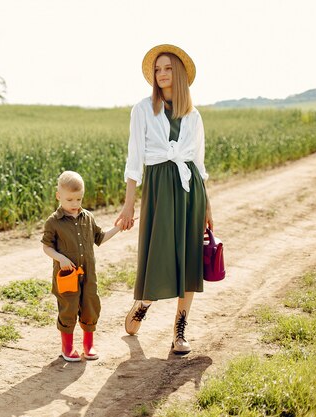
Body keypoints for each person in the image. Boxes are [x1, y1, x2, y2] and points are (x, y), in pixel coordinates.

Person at [115, 44, 214, 354]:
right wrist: (129, 203)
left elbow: (198, 163)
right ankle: (144, 301)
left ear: (179, 73)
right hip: (159, 187)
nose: (161, 74)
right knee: (158, 254)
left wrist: (208, 206)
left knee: (189, 260)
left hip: (190, 190)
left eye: (167, 68)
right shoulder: (143, 109)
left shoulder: (193, 115)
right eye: (157, 69)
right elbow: (135, 159)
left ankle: (180, 329)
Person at [42, 171, 123, 362]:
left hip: (88, 274)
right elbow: (46, 247)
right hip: (67, 275)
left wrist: (119, 227)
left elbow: (100, 238)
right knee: (68, 307)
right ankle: (67, 347)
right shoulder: (54, 222)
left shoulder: (88, 217)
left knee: (90, 304)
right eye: (70, 199)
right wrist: (60, 258)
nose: (75, 204)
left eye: (79, 199)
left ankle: (88, 345)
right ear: (58, 196)